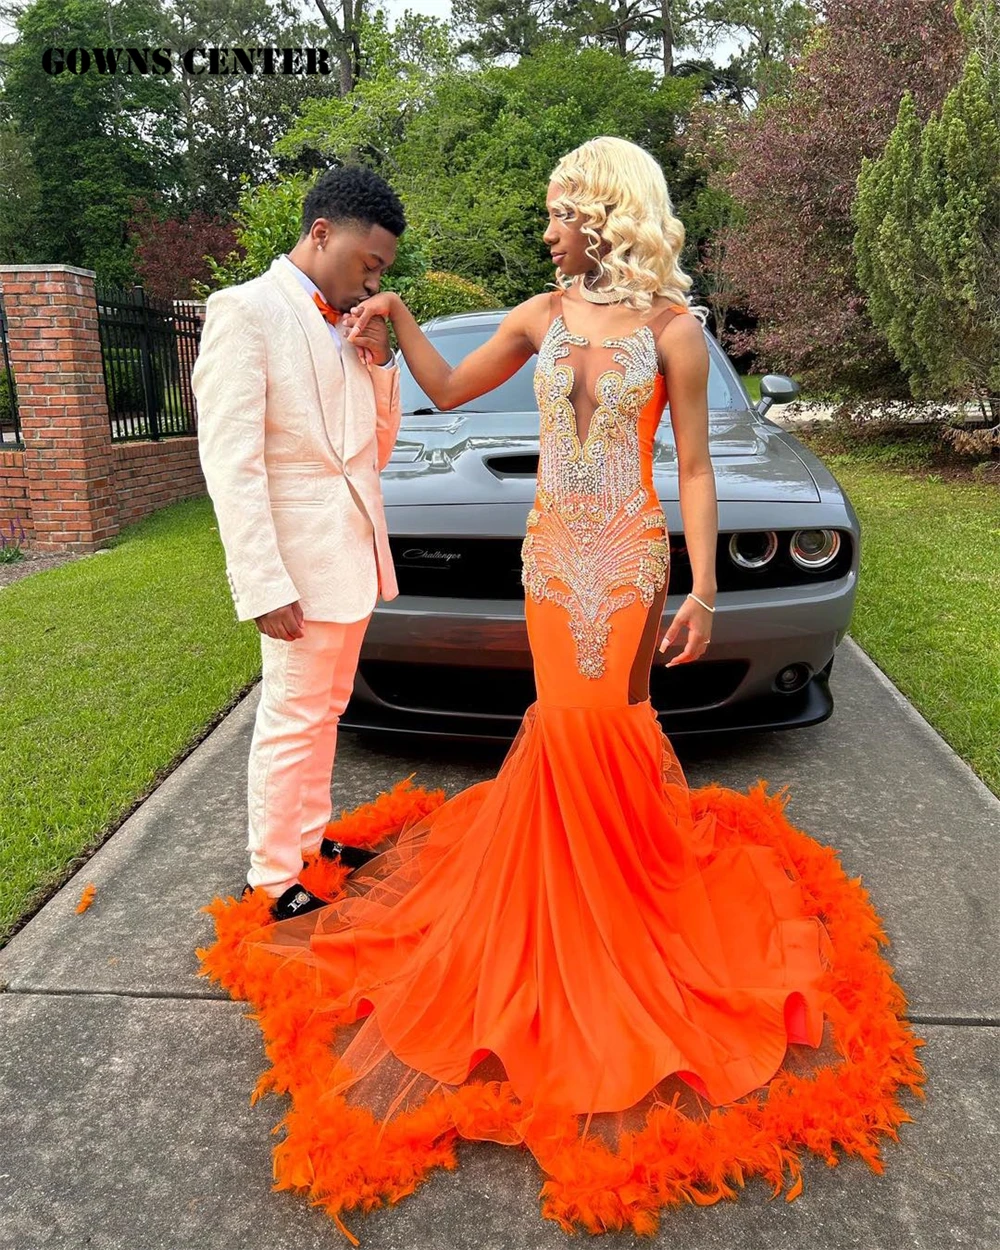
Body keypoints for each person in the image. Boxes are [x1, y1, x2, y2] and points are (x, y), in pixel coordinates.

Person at [199, 138, 923, 1237]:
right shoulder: (538, 315)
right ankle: (567, 900)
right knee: (566, 726)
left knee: (604, 725)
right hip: (550, 561)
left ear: (606, 214)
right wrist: (390, 321)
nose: (545, 231)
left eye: (557, 212)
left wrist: (707, 589)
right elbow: (443, 394)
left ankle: (623, 906)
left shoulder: (677, 332)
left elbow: (690, 468)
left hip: (631, 554)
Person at [193, 167, 405, 921]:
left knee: (327, 710)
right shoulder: (244, 311)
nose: (373, 279)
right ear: (322, 234)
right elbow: (231, 462)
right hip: (294, 568)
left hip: (351, 556)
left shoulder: (343, 324)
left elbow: (373, 451)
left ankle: (311, 847)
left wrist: (379, 360)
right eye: (368, 263)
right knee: (291, 715)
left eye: (382, 269)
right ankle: (272, 873)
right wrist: (260, 581)